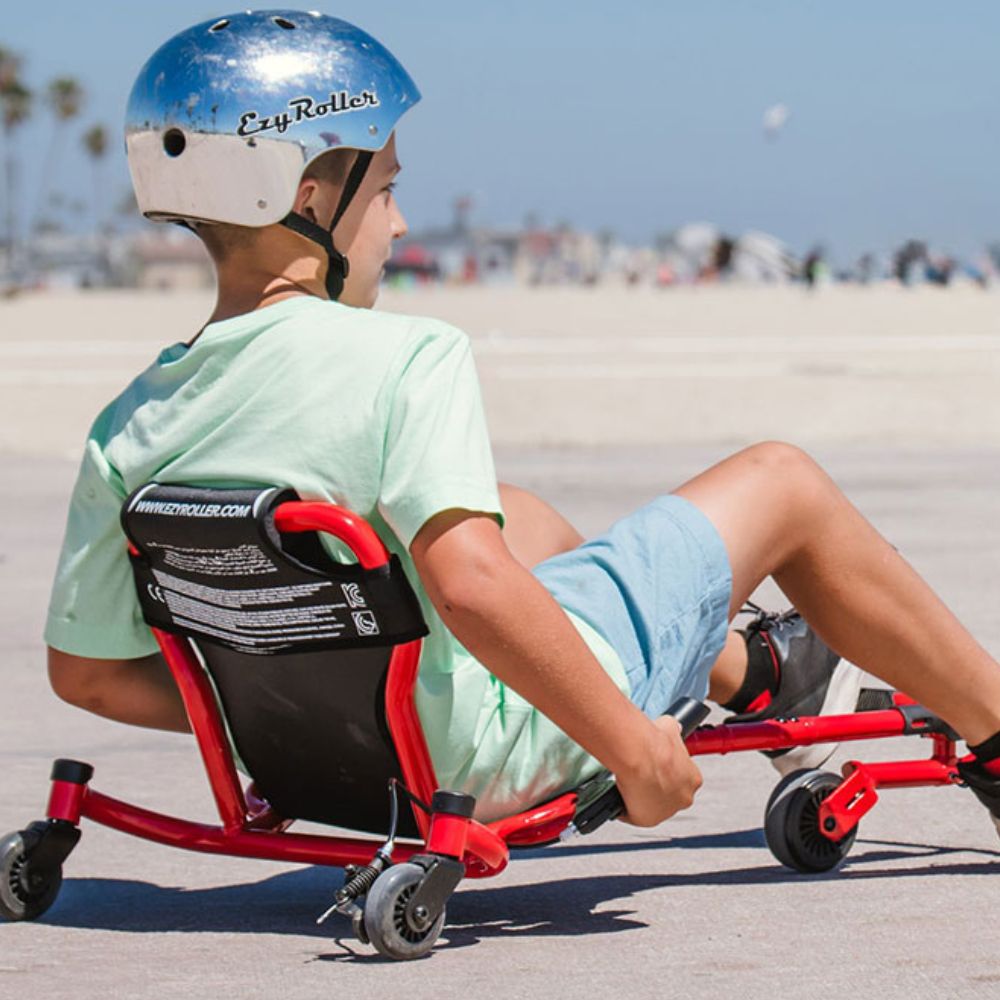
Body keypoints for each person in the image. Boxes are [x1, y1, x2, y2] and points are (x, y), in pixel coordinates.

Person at [44, 11, 1000, 834]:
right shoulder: (408, 358)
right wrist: (635, 753)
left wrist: (286, 720)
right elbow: (470, 588)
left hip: (333, 762)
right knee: (782, 479)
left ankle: (753, 672)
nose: (400, 223)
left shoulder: (130, 424)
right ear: (308, 198)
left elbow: (87, 675)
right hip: (484, 758)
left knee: (515, 514)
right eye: (384, 189)